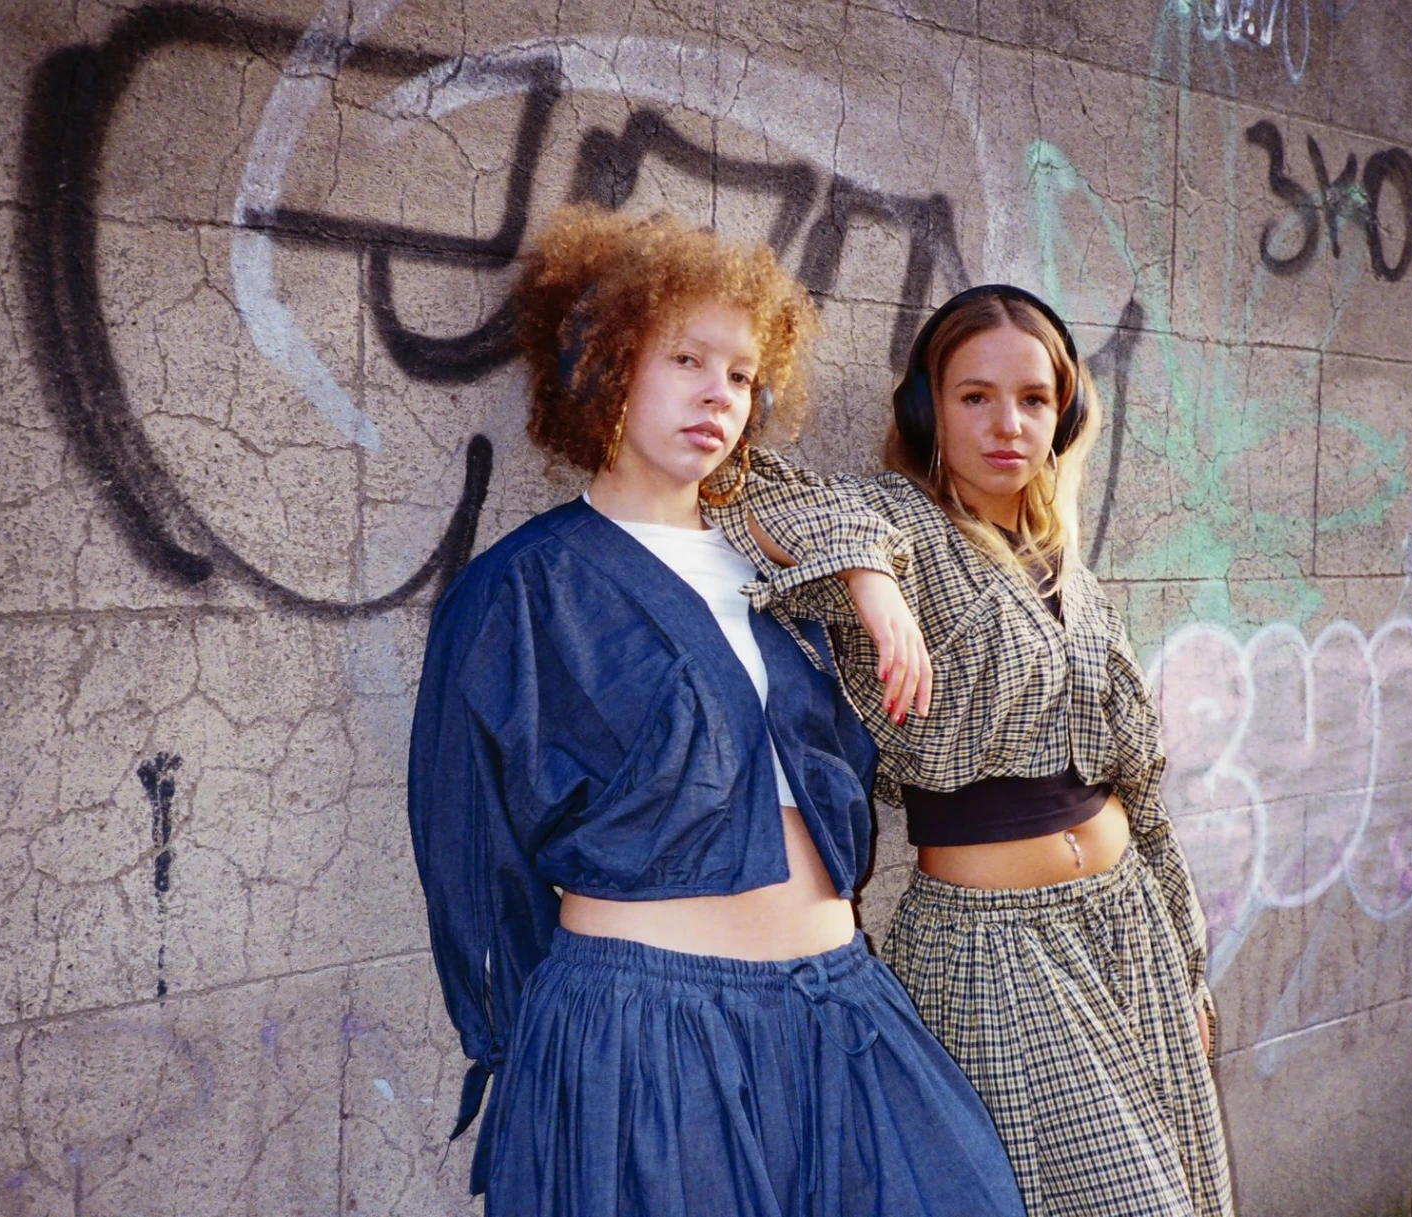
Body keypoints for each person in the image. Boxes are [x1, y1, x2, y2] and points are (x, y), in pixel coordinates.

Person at [406, 207, 1025, 1217]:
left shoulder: (788, 570)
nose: (716, 395)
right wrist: (531, 1049)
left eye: (740, 374)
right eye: (685, 358)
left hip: (837, 1008)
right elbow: (471, 854)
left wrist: (865, 576)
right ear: (603, 367)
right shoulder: (520, 589)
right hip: (642, 1025)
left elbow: (858, 527)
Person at [738, 285, 1235, 1217]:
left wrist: (1188, 962)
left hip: (1127, 926)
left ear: (1065, 416)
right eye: (975, 396)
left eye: (1034, 399)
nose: (1009, 424)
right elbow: (741, 492)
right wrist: (873, 586)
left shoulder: (1070, 570)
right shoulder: (899, 522)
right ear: (930, 410)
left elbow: (1141, 790)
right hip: (995, 951)